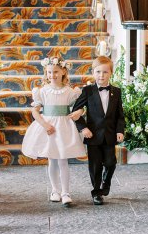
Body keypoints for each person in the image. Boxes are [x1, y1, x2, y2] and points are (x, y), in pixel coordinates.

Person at [22, 56, 85, 207]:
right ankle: (55, 190)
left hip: (63, 127)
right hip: (49, 128)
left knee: (63, 160)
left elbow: (79, 108)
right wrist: (44, 124)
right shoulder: (42, 91)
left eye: (55, 71)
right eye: (49, 72)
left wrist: (80, 112)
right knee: (52, 161)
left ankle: (65, 192)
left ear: (63, 72)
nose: (52, 75)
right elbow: (35, 112)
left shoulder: (70, 91)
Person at [72, 56, 125, 206]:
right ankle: (96, 192)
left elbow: (119, 115)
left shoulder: (116, 92)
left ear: (111, 73)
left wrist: (119, 130)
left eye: (105, 72)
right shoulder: (88, 91)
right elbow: (76, 111)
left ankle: (105, 184)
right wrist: (83, 128)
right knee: (95, 166)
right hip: (93, 135)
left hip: (109, 135)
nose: (101, 75)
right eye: (98, 72)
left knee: (110, 162)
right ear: (93, 73)